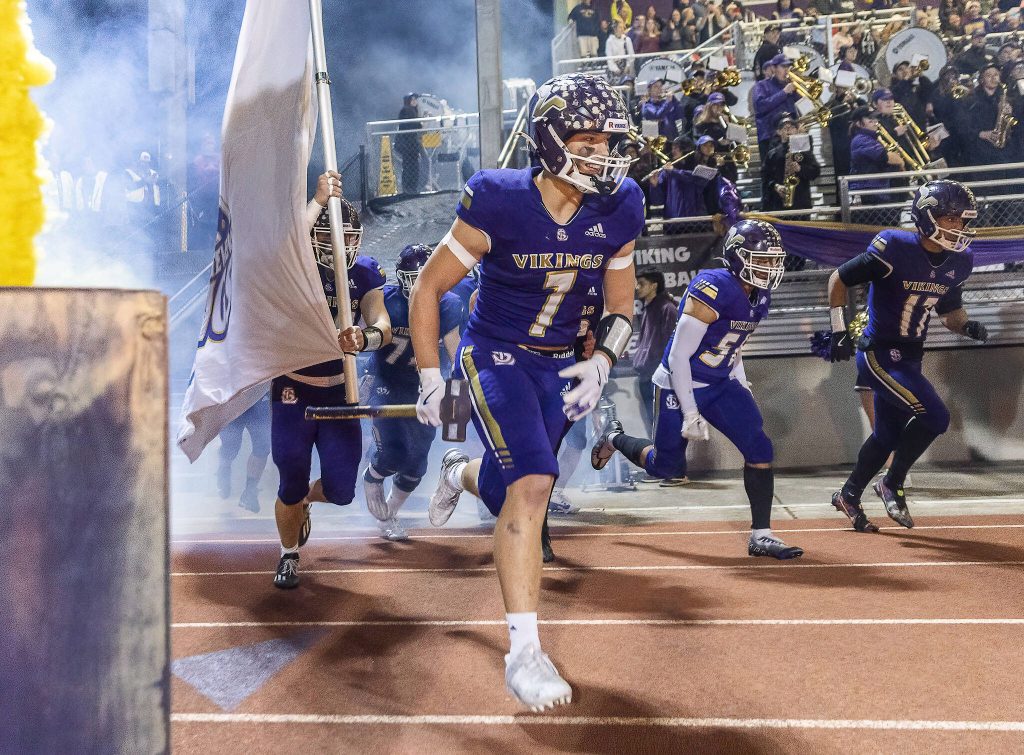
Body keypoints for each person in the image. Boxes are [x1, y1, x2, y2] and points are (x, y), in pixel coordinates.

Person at [409, 73, 644, 711]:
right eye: (587, 140)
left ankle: (457, 472)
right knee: (536, 480)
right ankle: (524, 653)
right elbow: (428, 288)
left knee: (510, 486)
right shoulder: (497, 199)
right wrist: (432, 378)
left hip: (562, 364)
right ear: (548, 139)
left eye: (608, 140)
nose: (602, 154)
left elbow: (622, 303)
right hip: (494, 355)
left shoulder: (621, 204)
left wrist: (605, 363)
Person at [591, 219, 804, 560]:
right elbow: (678, 356)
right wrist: (690, 412)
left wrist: (739, 378)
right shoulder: (714, 286)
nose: (768, 267)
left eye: (771, 260)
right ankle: (614, 438)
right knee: (665, 467)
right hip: (680, 381)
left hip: (719, 382)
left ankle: (761, 535)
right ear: (736, 257)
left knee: (760, 447)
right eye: (760, 259)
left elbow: (733, 344)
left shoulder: (759, 295)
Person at [826, 180, 989, 532]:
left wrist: (967, 326)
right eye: (952, 218)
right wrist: (839, 331)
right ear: (927, 217)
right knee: (936, 417)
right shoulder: (895, 246)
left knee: (887, 434)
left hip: (910, 357)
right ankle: (891, 482)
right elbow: (838, 279)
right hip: (878, 353)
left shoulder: (960, 260)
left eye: (962, 220)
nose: (959, 227)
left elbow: (950, 311)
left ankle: (849, 494)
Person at [271, 173, 392, 589]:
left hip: (342, 392)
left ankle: (306, 501)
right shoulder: (296, 266)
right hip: (294, 388)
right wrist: (319, 200)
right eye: (331, 235)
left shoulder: (364, 273)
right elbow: (288, 245)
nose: (342, 245)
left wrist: (365, 336)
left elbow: (382, 323)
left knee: (341, 490)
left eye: (349, 236)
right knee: (289, 477)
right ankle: (289, 554)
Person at [360, 245, 463, 541]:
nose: (418, 285)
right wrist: (364, 375)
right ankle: (373, 474)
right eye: (412, 278)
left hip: (425, 387)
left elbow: (455, 350)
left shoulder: (449, 304)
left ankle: (389, 515)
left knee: (417, 464)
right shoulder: (388, 299)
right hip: (387, 382)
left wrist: (459, 395)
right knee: (393, 453)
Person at [631, 270, 678, 436]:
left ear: (654, 285)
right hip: (645, 374)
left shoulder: (668, 308)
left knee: (662, 426)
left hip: (659, 378)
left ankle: (666, 459)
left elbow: (672, 347)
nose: (637, 287)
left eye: (641, 283)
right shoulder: (648, 308)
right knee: (652, 426)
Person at [217, 391, 271, 512]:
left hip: (260, 396)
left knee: (262, 446)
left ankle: (250, 491)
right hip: (234, 397)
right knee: (231, 446)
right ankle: (224, 469)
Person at [762, 113, 821, 213]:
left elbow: (816, 171)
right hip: (779, 204)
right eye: (785, 128)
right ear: (779, 132)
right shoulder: (772, 154)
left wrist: (800, 169)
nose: (789, 129)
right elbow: (765, 176)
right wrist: (776, 186)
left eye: (792, 127)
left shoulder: (804, 150)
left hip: (801, 203)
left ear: (796, 130)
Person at [848, 106, 904, 205]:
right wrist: (900, 161)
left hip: (877, 190)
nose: (874, 121)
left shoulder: (869, 137)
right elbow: (886, 157)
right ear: (858, 123)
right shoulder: (861, 139)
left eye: (875, 118)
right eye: (870, 119)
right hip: (870, 193)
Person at [752, 54, 798, 161]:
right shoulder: (762, 85)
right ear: (773, 68)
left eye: (788, 67)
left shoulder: (791, 85)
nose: (787, 70)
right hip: (769, 136)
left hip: (791, 135)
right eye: (783, 67)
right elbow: (760, 106)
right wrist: (784, 92)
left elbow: (802, 106)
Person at [396, 94, 425, 195]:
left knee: (411, 166)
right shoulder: (407, 110)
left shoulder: (411, 110)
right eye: (412, 99)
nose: (415, 101)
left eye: (415, 99)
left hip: (410, 144)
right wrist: (421, 122)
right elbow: (413, 125)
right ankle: (409, 189)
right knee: (410, 167)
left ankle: (410, 188)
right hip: (408, 144)